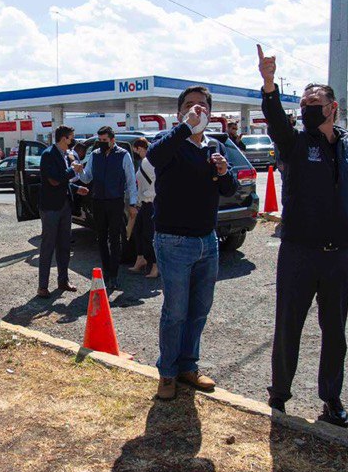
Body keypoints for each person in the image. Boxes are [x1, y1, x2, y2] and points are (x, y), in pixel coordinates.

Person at [257, 46, 348, 426]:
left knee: (335, 331)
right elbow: (276, 123)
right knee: (289, 325)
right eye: (303, 103)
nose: (307, 108)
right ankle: (279, 393)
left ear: (332, 107)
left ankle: (331, 398)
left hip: (340, 255)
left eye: (314, 102)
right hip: (299, 252)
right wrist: (269, 85)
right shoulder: (296, 143)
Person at [146, 86, 237, 401]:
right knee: (176, 311)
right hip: (173, 241)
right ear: (179, 112)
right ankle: (167, 373)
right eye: (189, 106)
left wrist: (225, 172)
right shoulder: (171, 143)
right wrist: (186, 126)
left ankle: (188, 365)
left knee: (199, 309)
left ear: (211, 113)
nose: (196, 110)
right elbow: (155, 157)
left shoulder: (214, 147)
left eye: (202, 106)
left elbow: (228, 187)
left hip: (207, 240)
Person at [77, 126, 138, 290]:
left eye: (105, 140)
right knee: (101, 238)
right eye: (100, 140)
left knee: (115, 238)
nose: (102, 143)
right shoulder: (94, 155)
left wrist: (132, 203)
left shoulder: (123, 156)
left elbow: (131, 181)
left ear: (113, 140)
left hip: (115, 201)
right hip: (98, 201)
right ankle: (106, 271)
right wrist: (79, 172)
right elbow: (87, 177)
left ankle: (114, 274)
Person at [36, 125, 85, 298]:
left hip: (64, 205)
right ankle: (42, 286)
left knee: (64, 245)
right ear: (64, 138)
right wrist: (74, 170)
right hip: (50, 208)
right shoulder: (49, 154)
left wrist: (76, 187)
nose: (73, 140)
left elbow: (62, 181)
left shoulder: (66, 155)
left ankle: (63, 281)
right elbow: (54, 180)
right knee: (48, 245)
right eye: (72, 137)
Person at [128, 137, 158, 278]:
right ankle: (141, 259)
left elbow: (154, 183)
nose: (137, 153)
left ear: (140, 148)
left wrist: (146, 195)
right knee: (139, 232)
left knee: (148, 235)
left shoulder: (149, 162)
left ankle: (155, 266)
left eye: (137, 150)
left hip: (150, 202)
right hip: (145, 203)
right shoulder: (146, 161)